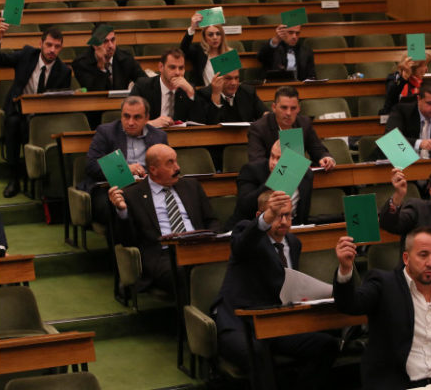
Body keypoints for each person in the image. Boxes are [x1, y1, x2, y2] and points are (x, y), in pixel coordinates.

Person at [213, 190, 338, 390]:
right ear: (260, 216)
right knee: (258, 352)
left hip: (276, 324)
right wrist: (266, 217)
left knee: (327, 345)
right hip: (240, 324)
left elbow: (287, 283)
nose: (284, 221)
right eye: (277, 216)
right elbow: (242, 244)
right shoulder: (246, 232)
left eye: (288, 215)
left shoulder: (294, 243)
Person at [334, 227, 431, 389]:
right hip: (398, 385)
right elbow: (350, 304)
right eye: (423, 255)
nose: (430, 263)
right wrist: (345, 269)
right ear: (406, 258)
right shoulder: (384, 284)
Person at [108, 144, 220, 294]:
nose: (177, 168)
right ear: (153, 170)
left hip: (199, 247)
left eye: (176, 161)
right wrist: (122, 212)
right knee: (186, 271)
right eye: (170, 163)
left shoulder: (191, 186)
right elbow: (127, 240)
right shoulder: (133, 195)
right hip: (164, 255)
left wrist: (213, 243)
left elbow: (211, 220)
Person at [0, 19, 72, 198]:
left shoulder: (64, 71)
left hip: (42, 118)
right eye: (49, 45)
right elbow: (0, 60)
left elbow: (59, 104)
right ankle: (14, 179)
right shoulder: (27, 54)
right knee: (13, 124)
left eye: (57, 46)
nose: (52, 50)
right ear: (41, 44)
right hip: (17, 110)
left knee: (31, 127)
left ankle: (37, 179)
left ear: (61, 48)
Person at [81, 96, 168, 227]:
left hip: (147, 188)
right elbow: (91, 166)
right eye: (126, 116)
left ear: (146, 118)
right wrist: (124, 169)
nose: (130, 122)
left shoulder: (158, 136)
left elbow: (168, 166)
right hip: (112, 188)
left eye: (137, 117)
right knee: (114, 207)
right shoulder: (106, 132)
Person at [224, 140, 313, 231]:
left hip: (289, 229)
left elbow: (303, 214)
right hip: (250, 230)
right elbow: (245, 206)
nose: (274, 163)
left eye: (280, 159)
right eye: (272, 156)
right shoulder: (252, 170)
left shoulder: (306, 175)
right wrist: (274, 180)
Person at [247, 86, 336, 169]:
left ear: (298, 109)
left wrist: (325, 158)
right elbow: (257, 162)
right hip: (269, 178)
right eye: (284, 108)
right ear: (274, 107)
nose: (288, 113)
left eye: (293, 108)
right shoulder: (258, 128)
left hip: (299, 178)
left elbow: (317, 149)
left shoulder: (304, 123)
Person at [129, 48, 199, 127]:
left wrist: (191, 93)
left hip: (179, 134)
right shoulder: (143, 86)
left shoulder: (188, 89)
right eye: (172, 67)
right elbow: (128, 121)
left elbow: (200, 124)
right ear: (161, 67)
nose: (177, 73)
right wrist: (151, 123)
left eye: (181, 68)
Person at [384, 80, 431, 159]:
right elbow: (391, 139)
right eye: (430, 103)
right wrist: (419, 143)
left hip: (430, 164)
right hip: (397, 161)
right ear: (419, 99)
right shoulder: (402, 112)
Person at [72, 24, 147, 92]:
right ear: (95, 45)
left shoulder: (126, 58)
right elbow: (94, 94)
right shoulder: (81, 63)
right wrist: (101, 67)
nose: (111, 46)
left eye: (113, 40)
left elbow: (145, 83)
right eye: (105, 41)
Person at [195, 69, 267, 125]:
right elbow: (209, 125)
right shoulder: (204, 94)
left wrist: (267, 116)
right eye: (228, 78)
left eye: (236, 78)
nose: (234, 83)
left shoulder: (248, 92)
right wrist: (216, 95)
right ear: (217, 79)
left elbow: (265, 114)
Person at [180, 14, 232, 87]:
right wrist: (192, 28)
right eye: (210, 35)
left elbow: (233, 79)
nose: (215, 37)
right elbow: (183, 50)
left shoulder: (228, 53)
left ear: (222, 36)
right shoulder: (199, 51)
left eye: (218, 34)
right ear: (205, 37)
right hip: (204, 92)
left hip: (224, 92)